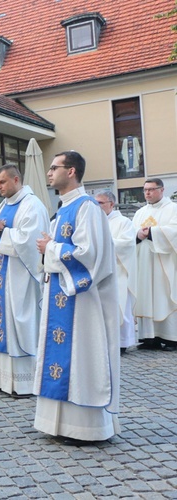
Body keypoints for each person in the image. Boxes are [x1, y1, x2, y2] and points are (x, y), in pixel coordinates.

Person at [34, 151, 120, 445]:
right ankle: (58, 424)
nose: (49, 172)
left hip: (82, 301)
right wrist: (49, 251)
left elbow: (90, 256)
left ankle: (85, 428)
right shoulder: (63, 209)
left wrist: (51, 248)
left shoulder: (88, 208)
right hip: (61, 297)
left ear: (71, 172)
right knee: (62, 359)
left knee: (82, 357)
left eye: (54, 167)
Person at [0, 165, 48, 397]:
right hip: (0, 278)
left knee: (20, 325)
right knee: (2, 322)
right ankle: (1, 379)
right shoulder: (3, 204)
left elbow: (32, 241)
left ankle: (24, 383)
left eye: (2, 182)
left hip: (21, 278)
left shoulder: (32, 205)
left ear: (16, 179)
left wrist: (2, 230)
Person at [132, 178, 177, 351]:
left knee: (164, 296)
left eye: (151, 189)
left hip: (164, 264)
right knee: (146, 296)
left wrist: (152, 232)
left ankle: (172, 338)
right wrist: (138, 235)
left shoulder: (172, 209)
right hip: (143, 262)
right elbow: (131, 232)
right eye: (145, 190)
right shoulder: (140, 212)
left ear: (162, 190)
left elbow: (175, 231)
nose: (148, 193)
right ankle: (150, 337)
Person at [95, 190, 137, 354]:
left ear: (111, 204)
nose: (97, 206)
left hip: (118, 270)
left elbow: (127, 244)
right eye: (95, 203)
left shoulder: (123, 222)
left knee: (120, 306)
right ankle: (103, 341)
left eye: (100, 203)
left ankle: (122, 342)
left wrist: (104, 243)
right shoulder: (93, 221)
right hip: (98, 271)